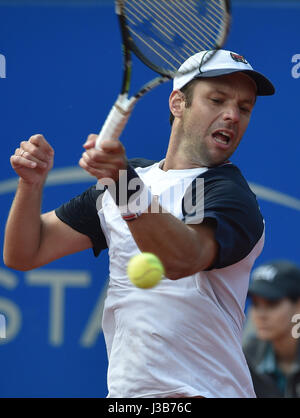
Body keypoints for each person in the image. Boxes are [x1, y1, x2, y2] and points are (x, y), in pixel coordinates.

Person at [3, 50, 275, 398]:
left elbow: (181, 259)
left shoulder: (229, 194)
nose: (232, 115)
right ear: (178, 103)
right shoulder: (129, 181)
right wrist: (31, 184)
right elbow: (25, 253)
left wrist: (122, 183)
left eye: (244, 108)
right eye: (217, 100)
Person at [243, 260, 300, 398]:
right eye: (255, 304)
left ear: (298, 305)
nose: (261, 315)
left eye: (272, 303)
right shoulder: (245, 359)